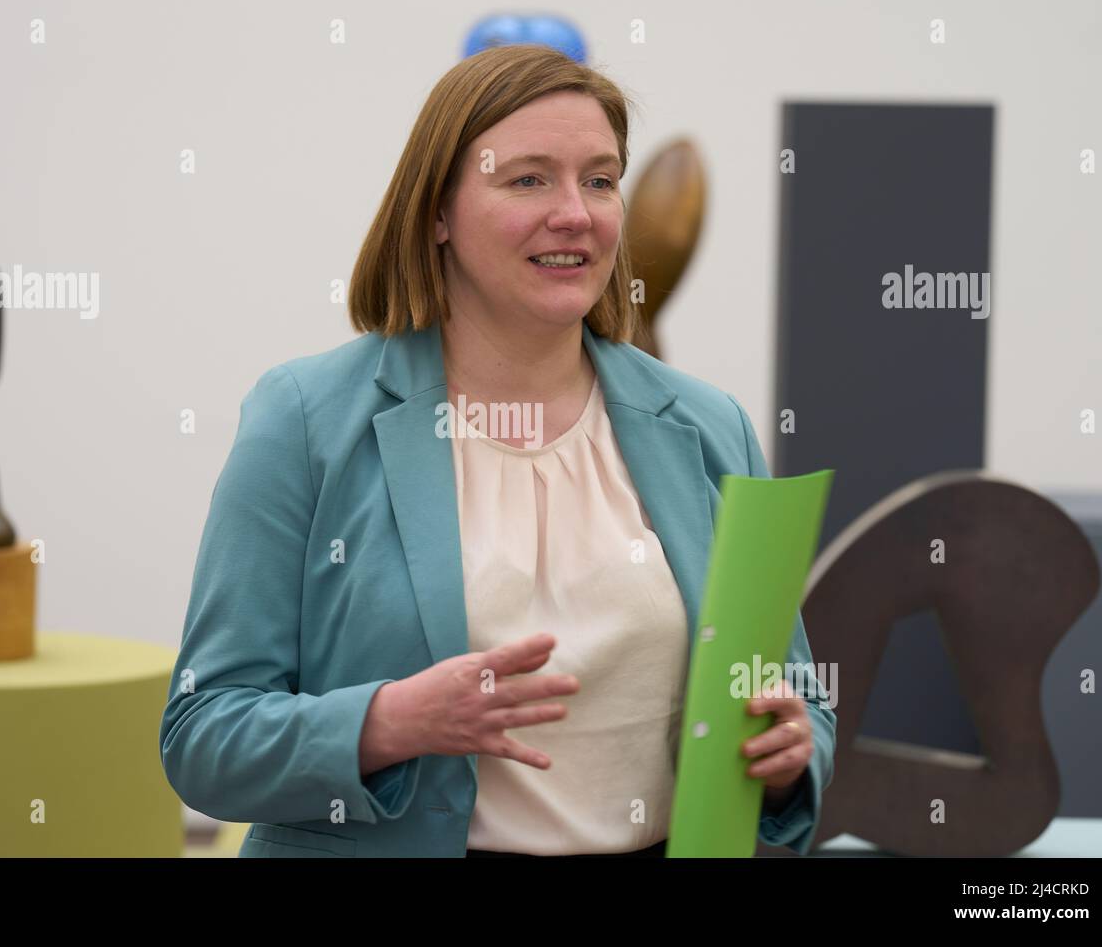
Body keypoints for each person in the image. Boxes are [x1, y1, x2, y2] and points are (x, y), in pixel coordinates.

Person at [159, 44, 835, 858]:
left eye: (600, 178)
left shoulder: (706, 422)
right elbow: (203, 735)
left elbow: (793, 694)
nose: (576, 213)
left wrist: (792, 753)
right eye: (527, 179)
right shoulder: (303, 419)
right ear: (436, 212)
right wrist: (390, 723)